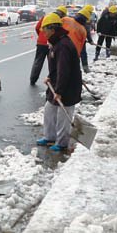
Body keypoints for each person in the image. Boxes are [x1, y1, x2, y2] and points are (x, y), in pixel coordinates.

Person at [36, 13, 82, 152]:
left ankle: (62, 143)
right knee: (49, 110)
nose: (43, 32)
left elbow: (64, 71)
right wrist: (50, 77)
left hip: (67, 87)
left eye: (45, 29)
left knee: (63, 116)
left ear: (53, 29)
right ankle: (50, 136)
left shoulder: (63, 46)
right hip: (57, 84)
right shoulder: (56, 43)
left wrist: (60, 91)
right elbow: (57, 68)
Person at [30, 5, 67, 85]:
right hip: (52, 43)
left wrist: (41, 37)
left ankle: (33, 79)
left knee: (38, 61)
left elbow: (37, 27)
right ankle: (52, 79)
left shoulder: (45, 17)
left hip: (40, 43)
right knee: (52, 62)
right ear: (63, 14)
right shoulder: (59, 21)